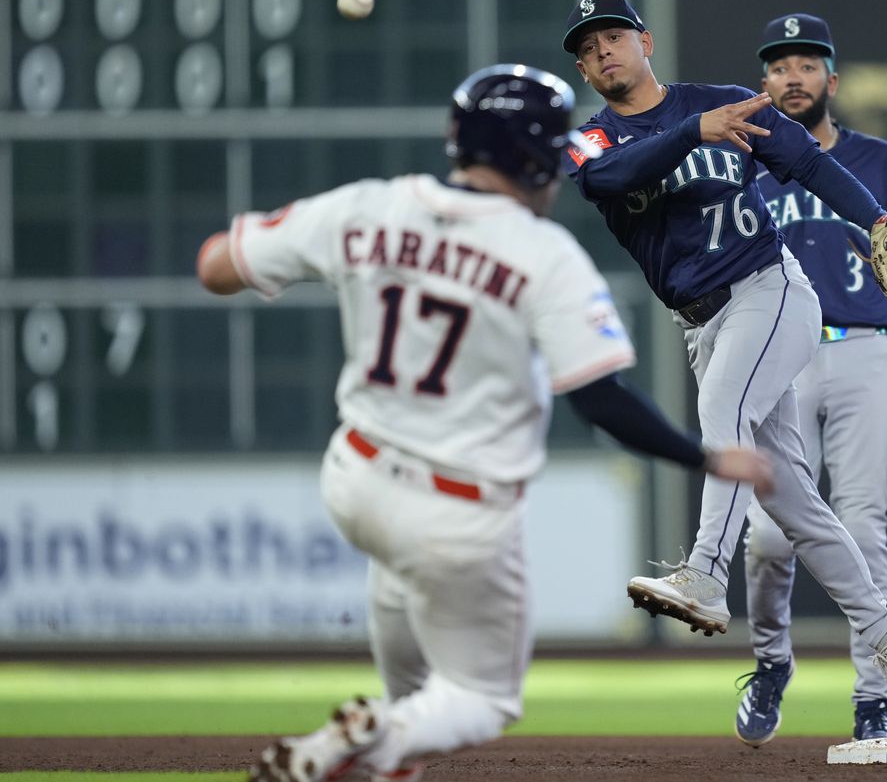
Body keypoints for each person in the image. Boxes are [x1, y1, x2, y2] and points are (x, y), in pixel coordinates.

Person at [195, 64, 775, 782]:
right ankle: (367, 731)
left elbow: (216, 266)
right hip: (456, 515)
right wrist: (708, 458)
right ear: (537, 160)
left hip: (357, 479)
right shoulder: (544, 256)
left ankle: (382, 732)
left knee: (412, 702)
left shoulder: (368, 207)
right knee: (482, 697)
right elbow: (601, 400)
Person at [560, 0, 887, 721]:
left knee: (722, 409)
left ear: (645, 41)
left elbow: (809, 163)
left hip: (769, 291)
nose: (602, 51)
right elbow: (607, 180)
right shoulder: (590, 141)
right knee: (795, 506)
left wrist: (879, 220)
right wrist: (692, 133)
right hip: (702, 324)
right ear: (583, 69)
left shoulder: (726, 102)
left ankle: (706, 573)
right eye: (588, 47)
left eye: (613, 36)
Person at [734, 14, 887, 747]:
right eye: (780, 65)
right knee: (768, 538)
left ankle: (874, 698)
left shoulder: (880, 161)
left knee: (864, 526)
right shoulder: (742, 161)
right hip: (775, 357)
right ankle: (771, 662)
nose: (793, 76)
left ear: (832, 81)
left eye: (807, 64)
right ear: (763, 82)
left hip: (862, 351)